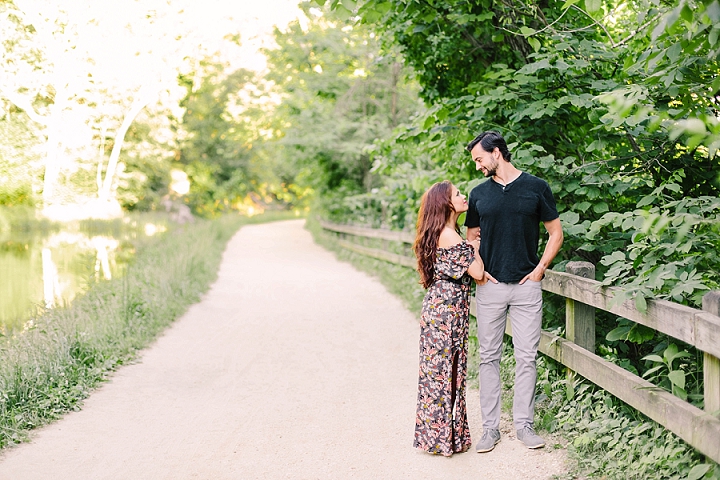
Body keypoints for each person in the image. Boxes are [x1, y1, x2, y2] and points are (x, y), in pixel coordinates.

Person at [464, 131, 563, 453]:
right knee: (489, 358)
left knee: (526, 358)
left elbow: (555, 233)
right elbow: (471, 238)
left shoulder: (536, 188)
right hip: (490, 289)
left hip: (526, 288)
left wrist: (539, 270)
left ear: (496, 153)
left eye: (480, 159)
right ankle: (490, 429)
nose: (478, 166)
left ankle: (524, 425)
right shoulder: (478, 194)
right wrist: (479, 271)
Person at [412, 180, 486, 456]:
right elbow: (477, 273)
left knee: (441, 374)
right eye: (457, 194)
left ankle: (440, 438)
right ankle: (443, 439)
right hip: (446, 314)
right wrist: (474, 247)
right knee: (446, 374)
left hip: (442, 311)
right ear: (446, 203)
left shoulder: (445, 233)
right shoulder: (449, 236)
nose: (463, 196)